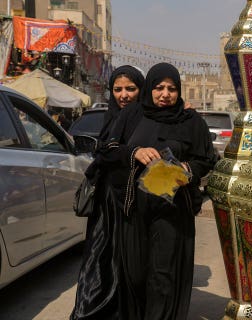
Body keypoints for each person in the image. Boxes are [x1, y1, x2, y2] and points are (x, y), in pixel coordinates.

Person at [98, 62, 216, 319]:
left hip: (172, 210)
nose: (165, 94)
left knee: (163, 275)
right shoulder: (132, 115)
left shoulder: (191, 120)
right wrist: (134, 152)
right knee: (135, 272)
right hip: (134, 209)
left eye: (172, 89)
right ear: (150, 87)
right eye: (159, 88)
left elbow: (206, 159)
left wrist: (188, 167)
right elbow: (106, 150)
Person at [71, 65, 145, 320]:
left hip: (135, 200)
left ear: (142, 90)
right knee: (100, 256)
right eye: (118, 89)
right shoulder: (110, 117)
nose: (123, 95)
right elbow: (103, 152)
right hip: (107, 202)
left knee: (131, 261)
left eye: (130, 89)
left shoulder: (148, 118)